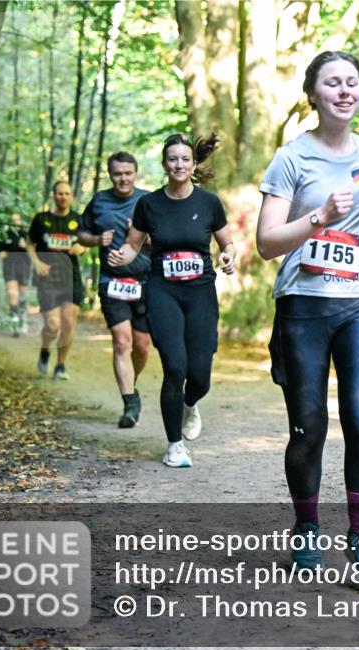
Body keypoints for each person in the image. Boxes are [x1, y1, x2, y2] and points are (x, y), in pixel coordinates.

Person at [257, 51, 359, 575]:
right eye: (333, 84)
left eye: (352, 83)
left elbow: (357, 223)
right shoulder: (291, 157)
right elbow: (267, 243)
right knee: (309, 425)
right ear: (313, 95)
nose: (345, 91)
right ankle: (306, 528)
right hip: (302, 304)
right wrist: (318, 217)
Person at [108, 133, 236, 468]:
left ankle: (190, 405)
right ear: (165, 164)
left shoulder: (209, 203)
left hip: (200, 292)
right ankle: (174, 445)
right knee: (175, 367)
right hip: (162, 291)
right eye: (172, 159)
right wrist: (122, 255)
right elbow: (134, 244)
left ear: (194, 164)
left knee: (200, 376)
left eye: (185, 159)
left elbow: (227, 244)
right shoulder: (149, 204)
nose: (178, 164)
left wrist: (229, 257)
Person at [78, 152, 151, 428]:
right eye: (118, 173)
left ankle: (133, 381)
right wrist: (98, 238)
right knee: (122, 341)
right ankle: (130, 402)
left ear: (135, 173)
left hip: (146, 281)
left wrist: (142, 236)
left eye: (128, 173)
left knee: (142, 345)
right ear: (111, 175)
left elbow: (166, 239)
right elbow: (82, 235)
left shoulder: (147, 201)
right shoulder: (99, 201)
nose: (123, 178)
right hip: (113, 282)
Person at [27, 181, 87, 380]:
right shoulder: (41, 219)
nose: (63, 197)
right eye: (59, 193)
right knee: (53, 325)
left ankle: (60, 366)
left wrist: (82, 248)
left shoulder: (78, 220)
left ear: (72, 197)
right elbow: (30, 243)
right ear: (53, 195)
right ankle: (45, 350)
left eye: (66, 193)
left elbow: (87, 242)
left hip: (72, 278)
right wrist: (36, 261)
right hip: (47, 279)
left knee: (68, 323)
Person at [0, 213, 31, 333]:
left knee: (22, 296)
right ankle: (14, 320)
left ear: (21, 221)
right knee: (13, 294)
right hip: (9, 266)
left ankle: (23, 319)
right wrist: (1, 253)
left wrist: (26, 246)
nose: (14, 222)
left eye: (17, 220)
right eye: (12, 220)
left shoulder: (26, 234)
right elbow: (0, 250)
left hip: (24, 266)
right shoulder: (5, 234)